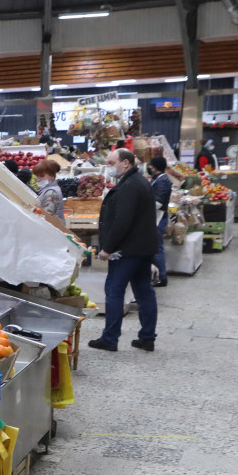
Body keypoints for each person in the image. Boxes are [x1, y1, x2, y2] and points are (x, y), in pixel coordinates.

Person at [88, 148, 159, 353]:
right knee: (144, 291)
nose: (109, 168)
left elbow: (122, 220)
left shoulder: (129, 185)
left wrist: (108, 248)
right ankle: (147, 338)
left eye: (111, 163)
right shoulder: (139, 182)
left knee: (114, 291)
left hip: (127, 250)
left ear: (125, 163)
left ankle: (110, 338)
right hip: (142, 248)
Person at [148, 156, 172, 287]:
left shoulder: (162, 181)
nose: (149, 167)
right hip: (156, 217)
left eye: (151, 165)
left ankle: (161, 277)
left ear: (155, 167)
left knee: (157, 248)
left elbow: (158, 202)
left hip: (158, 217)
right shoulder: (158, 179)